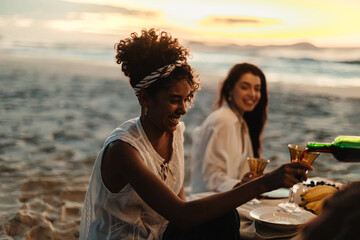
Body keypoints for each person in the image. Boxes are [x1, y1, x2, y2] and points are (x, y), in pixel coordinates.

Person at [79, 28, 312, 240]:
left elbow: (179, 205)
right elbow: (182, 215)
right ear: (145, 98)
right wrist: (266, 182)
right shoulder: (124, 149)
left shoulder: (175, 132)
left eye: (186, 99)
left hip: (161, 234)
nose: (183, 110)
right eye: (174, 100)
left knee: (225, 218)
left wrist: (240, 188)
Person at [190, 63, 268, 193]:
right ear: (230, 89)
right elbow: (212, 177)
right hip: (207, 203)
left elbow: (243, 174)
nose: (252, 94)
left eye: (257, 89)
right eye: (245, 87)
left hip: (226, 199)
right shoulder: (224, 120)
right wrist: (242, 184)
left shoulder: (239, 121)